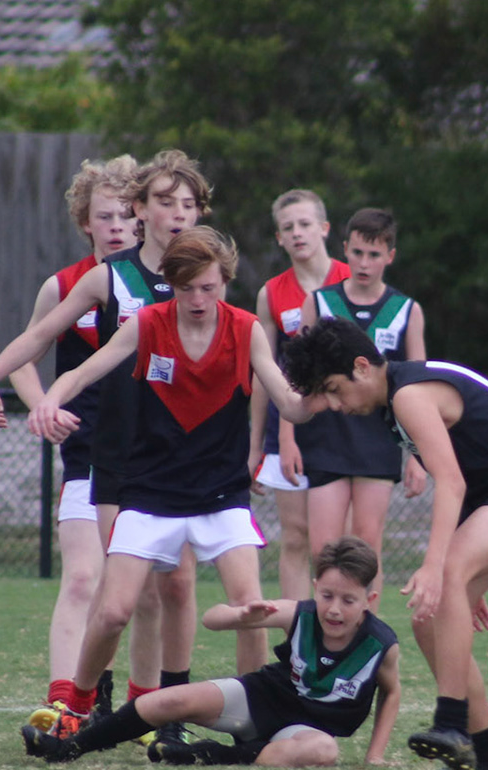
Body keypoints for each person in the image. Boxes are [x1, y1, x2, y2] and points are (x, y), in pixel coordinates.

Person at [28, 226, 309, 733]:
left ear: (225, 281)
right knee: (113, 612)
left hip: (220, 496)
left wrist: (323, 394)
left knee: (251, 609)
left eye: (208, 287)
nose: (197, 299)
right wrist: (50, 399)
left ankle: (255, 722)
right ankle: (77, 710)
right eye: (186, 288)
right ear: (170, 283)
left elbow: (290, 403)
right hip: (149, 493)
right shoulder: (148, 323)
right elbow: (84, 371)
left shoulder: (246, 329)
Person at [281, 319, 488, 770]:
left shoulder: (408, 395)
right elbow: (472, 472)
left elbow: (452, 482)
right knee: (428, 617)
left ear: (362, 366)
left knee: (448, 576)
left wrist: (441, 565)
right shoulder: (393, 398)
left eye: (336, 390)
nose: (336, 405)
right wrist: (466, 567)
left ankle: (451, 723)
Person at [0, 150, 208, 733]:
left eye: (187, 204)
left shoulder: (204, 278)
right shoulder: (99, 280)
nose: (177, 214)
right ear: (141, 210)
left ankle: (149, 710)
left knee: (166, 589)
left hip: (177, 452)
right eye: (164, 202)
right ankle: (72, 702)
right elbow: (39, 340)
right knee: (94, 582)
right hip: (103, 449)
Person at [20, 537, 402, 768]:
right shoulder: (297, 613)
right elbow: (211, 619)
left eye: (348, 600)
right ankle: (68, 748)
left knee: (323, 751)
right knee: (169, 701)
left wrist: (375, 754)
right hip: (261, 700)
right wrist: (240, 615)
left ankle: (208, 754)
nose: (334, 609)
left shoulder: (380, 644)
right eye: (327, 595)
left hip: (302, 731)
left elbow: (391, 692)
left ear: (369, 600)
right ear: (316, 587)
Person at [0, 154, 139, 692]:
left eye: (125, 215)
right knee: (81, 578)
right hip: (87, 450)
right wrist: (42, 405)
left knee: (141, 591)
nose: (116, 226)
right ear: (85, 222)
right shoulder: (66, 286)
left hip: (149, 452)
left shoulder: (165, 283)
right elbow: (26, 355)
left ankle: (135, 702)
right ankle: (65, 701)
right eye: (104, 216)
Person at [297, 207, 428, 591]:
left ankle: (368, 626)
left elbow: (417, 387)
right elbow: (299, 379)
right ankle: (324, 623)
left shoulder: (406, 311)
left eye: (374, 254)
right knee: (323, 550)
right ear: (344, 250)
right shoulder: (319, 303)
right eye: (357, 252)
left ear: (390, 256)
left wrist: (417, 456)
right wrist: (287, 438)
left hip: (378, 440)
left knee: (367, 547)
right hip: (326, 438)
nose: (364, 263)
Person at [252, 189, 349, 601]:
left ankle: (346, 624)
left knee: (340, 542)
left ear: (324, 228)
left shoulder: (351, 279)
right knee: (295, 535)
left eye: (305, 224)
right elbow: (265, 372)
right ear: (279, 238)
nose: (297, 233)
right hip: (289, 426)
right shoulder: (271, 293)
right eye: (288, 227)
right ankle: (297, 629)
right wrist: (257, 445)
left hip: (345, 425)